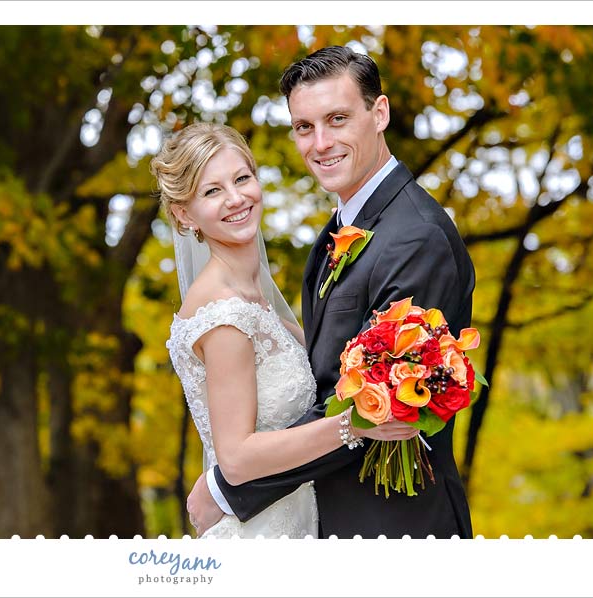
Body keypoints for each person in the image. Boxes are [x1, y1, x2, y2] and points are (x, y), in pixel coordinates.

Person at [186, 46, 477, 539]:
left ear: (378, 113)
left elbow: (377, 405)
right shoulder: (338, 231)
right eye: (304, 127)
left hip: (396, 525)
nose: (321, 143)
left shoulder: (415, 237)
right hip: (332, 524)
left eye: (337, 119)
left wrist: (231, 489)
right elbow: (327, 379)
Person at [153, 122, 418, 538]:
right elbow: (237, 458)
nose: (236, 198)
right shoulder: (224, 316)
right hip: (260, 536)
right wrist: (355, 423)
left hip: (300, 518)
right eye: (212, 191)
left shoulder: (254, 301)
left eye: (242, 179)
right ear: (186, 215)